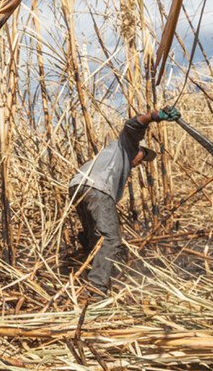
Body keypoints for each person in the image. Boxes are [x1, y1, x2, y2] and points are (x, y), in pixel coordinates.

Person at [67, 107, 180, 293]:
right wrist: (154, 116)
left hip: (77, 187)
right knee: (111, 240)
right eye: (143, 155)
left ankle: (87, 274)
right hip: (97, 188)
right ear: (138, 148)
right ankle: (96, 287)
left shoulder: (114, 161)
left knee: (93, 237)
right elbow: (132, 126)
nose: (140, 162)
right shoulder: (125, 146)